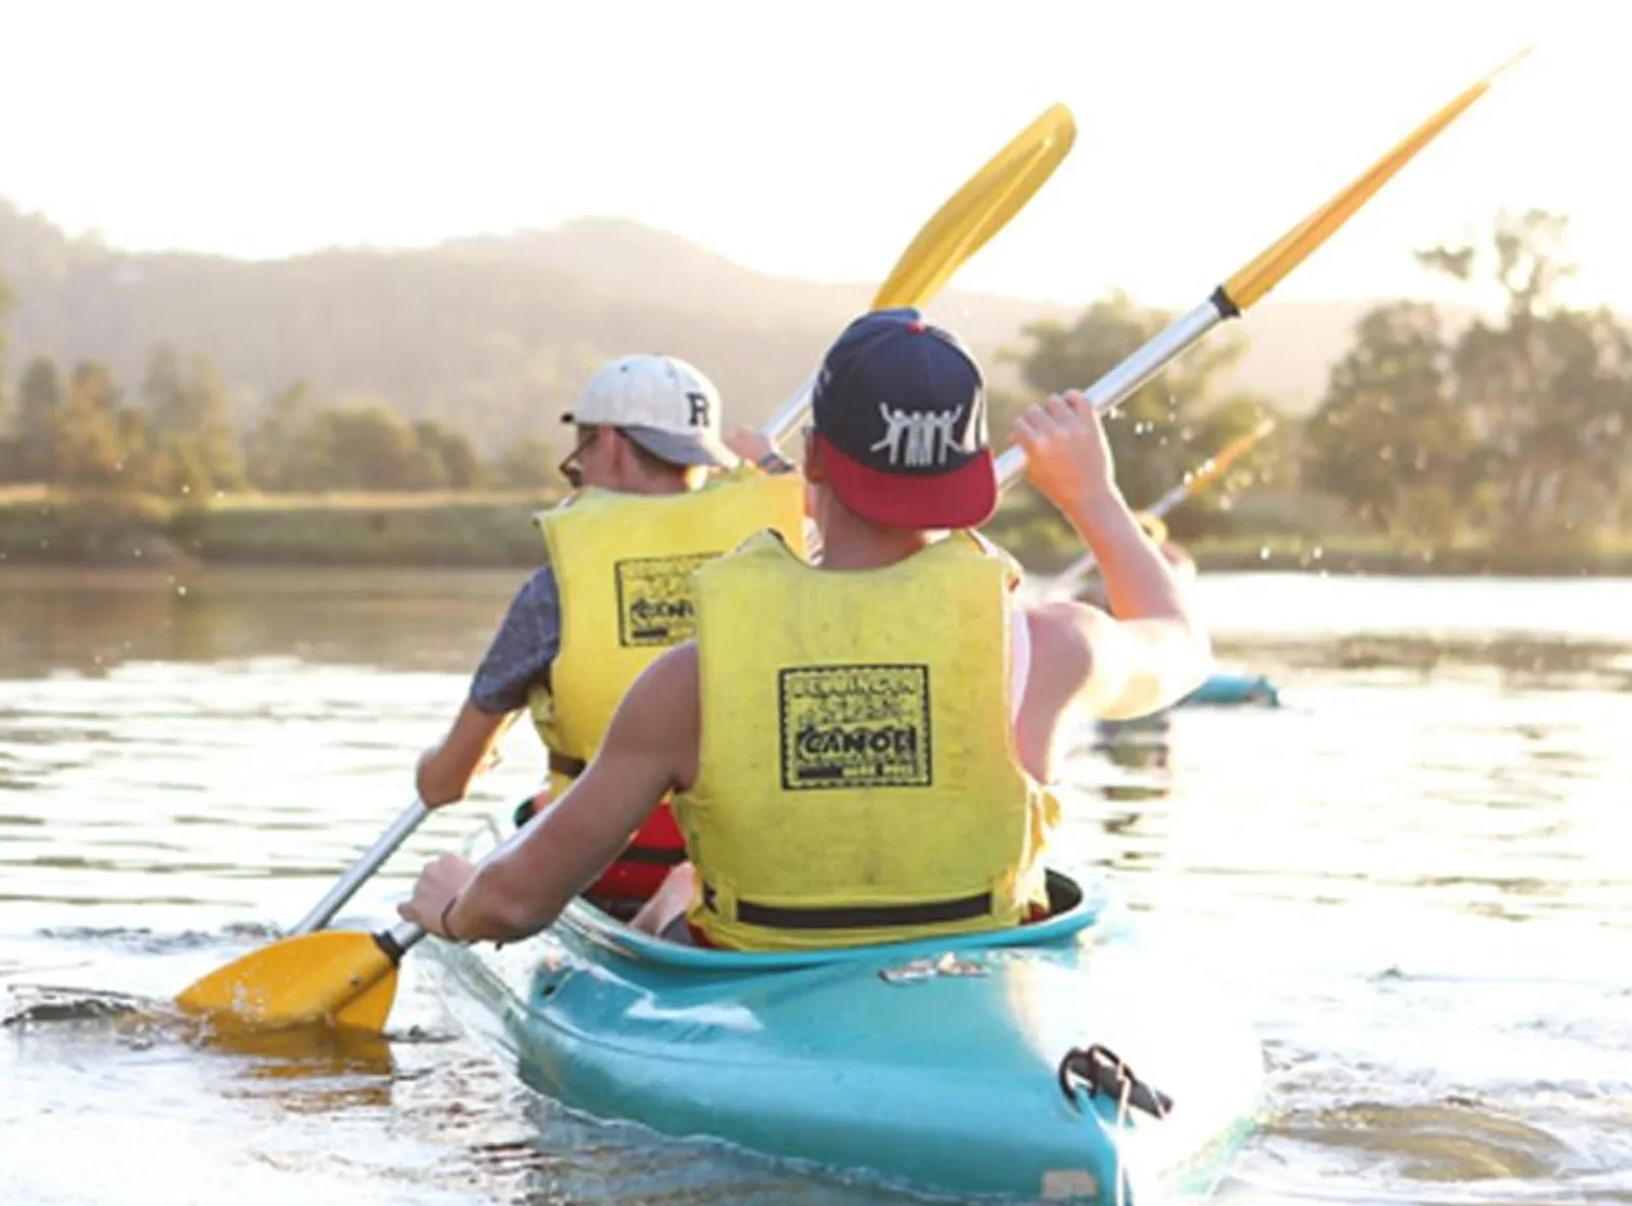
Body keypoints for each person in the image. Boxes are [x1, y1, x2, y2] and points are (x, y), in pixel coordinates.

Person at [400, 308, 1211, 952]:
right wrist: (1091, 496)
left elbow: (514, 904)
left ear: (815, 459)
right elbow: (1181, 641)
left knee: (682, 890)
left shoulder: (692, 680)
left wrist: (451, 908)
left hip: (762, 983)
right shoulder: (1053, 649)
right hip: (979, 986)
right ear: (974, 480)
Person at [411, 354, 802, 912]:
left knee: (538, 814)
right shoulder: (787, 554)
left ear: (612, 444)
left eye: (583, 449)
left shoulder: (555, 591)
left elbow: (444, 785)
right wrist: (772, 465)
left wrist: (434, 765)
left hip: (607, 869)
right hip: (753, 860)